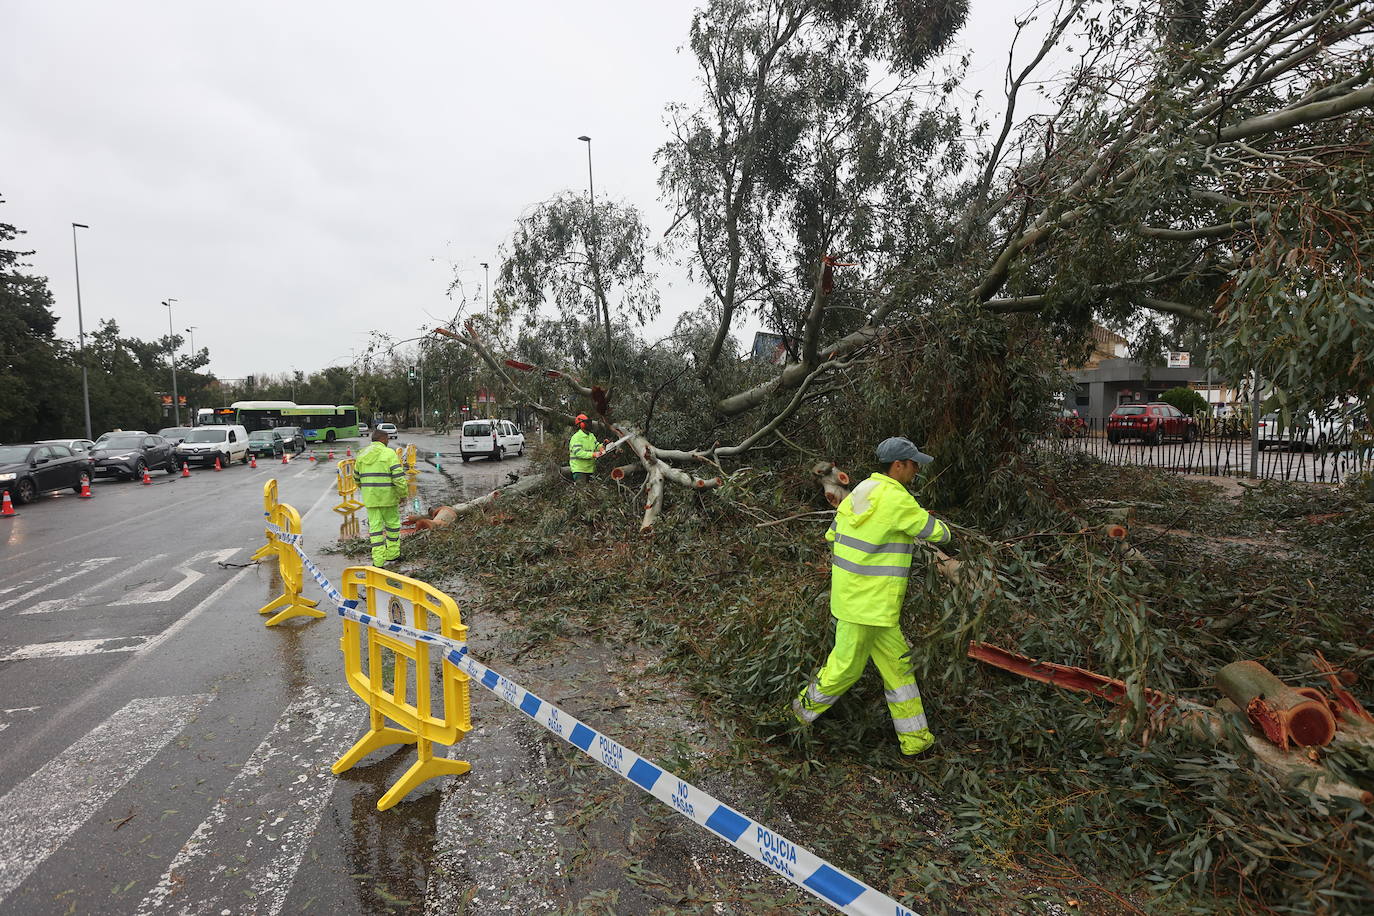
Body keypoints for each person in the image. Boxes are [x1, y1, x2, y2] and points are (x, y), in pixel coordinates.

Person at [792, 436, 952, 756]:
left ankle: (916, 740)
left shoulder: (861, 491)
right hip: (867, 606)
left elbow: (832, 534)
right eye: (913, 464)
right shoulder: (896, 498)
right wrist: (945, 529)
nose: (917, 470)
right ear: (898, 465)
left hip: (865, 603)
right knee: (845, 669)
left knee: (899, 668)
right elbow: (938, 533)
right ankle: (796, 716)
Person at [353, 428, 409, 567]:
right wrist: (403, 494)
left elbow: (356, 478)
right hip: (388, 499)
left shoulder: (361, 454)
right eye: (388, 439)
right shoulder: (389, 454)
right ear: (383, 439)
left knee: (375, 530)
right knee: (392, 527)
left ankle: (378, 561)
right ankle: (393, 554)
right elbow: (398, 478)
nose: (388, 442)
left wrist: (368, 490)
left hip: (371, 499)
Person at [568, 414, 599, 482]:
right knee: (582, 490)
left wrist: (603, 446)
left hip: (590, 469)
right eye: (586, 422)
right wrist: (593, 454)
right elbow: (578, 452)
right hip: (579, 470)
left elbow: (596, 446)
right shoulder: (576, 437)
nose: (588, 424)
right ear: (580, 425)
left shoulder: (591, 436)